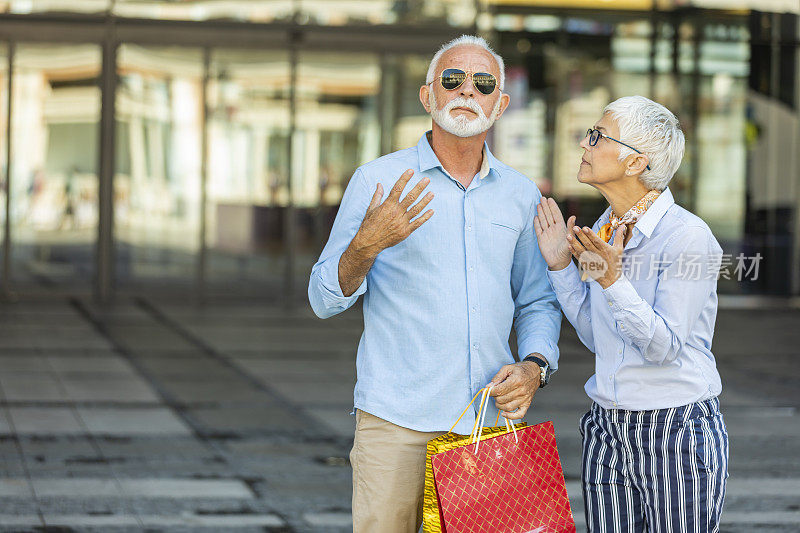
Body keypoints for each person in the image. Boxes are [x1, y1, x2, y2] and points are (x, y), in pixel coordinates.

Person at [308, 35, 562, 532]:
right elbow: (322, 299)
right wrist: (366, 244)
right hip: (395, 423)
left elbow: (537, 300)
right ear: (428, 97)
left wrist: (536, 365)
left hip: (487, 426)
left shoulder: (520, 193)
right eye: (453, 79)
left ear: (500, 104)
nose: (467, 90)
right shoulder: (377, 180)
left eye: (483, 83)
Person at [534, 95, 728, 532]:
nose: (585, 143)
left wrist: (612, 281)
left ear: (635, 163)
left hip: (675, 430)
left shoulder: (688, 238)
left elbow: (664, 348)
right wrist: (562, 266)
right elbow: (599, 337)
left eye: (598, 136)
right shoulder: (606, 229)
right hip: (606, 428)